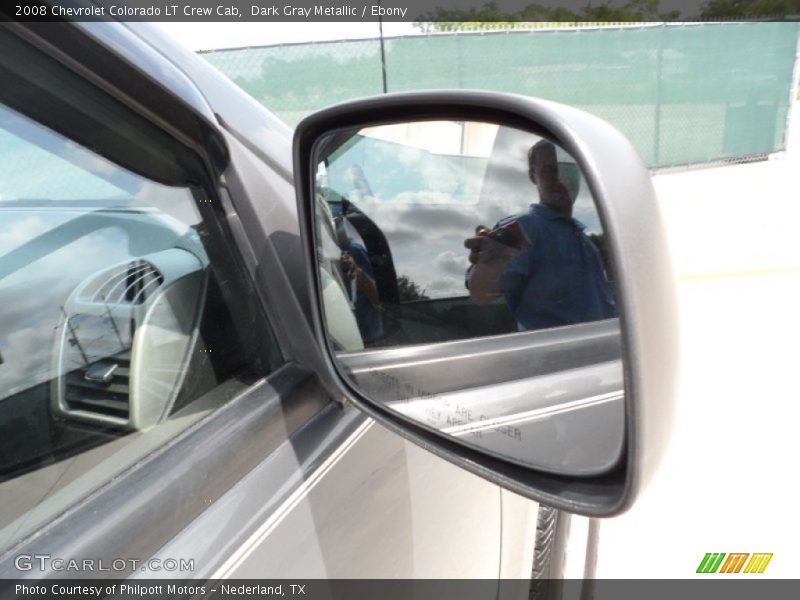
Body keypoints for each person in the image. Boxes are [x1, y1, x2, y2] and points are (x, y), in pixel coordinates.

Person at [464, 140, 617, 331]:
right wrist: (488, 261)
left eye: (568, 170)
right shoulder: (524, 229)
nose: (561, 179)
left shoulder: (586, 242)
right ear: (533, 176)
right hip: (556, 358)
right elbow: (480, 293)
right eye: (550, 170)